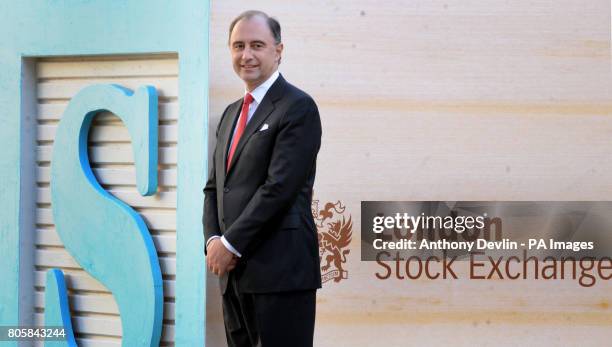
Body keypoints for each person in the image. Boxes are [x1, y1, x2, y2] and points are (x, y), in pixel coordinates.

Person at [203, 10, 322, 347]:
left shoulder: (298, 107)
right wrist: (213, 241)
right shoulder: (229, 115)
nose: (247, 55)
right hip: (232, 275)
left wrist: (230, 244)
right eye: (238, 46)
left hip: (280, 274)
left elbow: (279, 188)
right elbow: (214, 188)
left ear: (278, 51)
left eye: (257, 45)